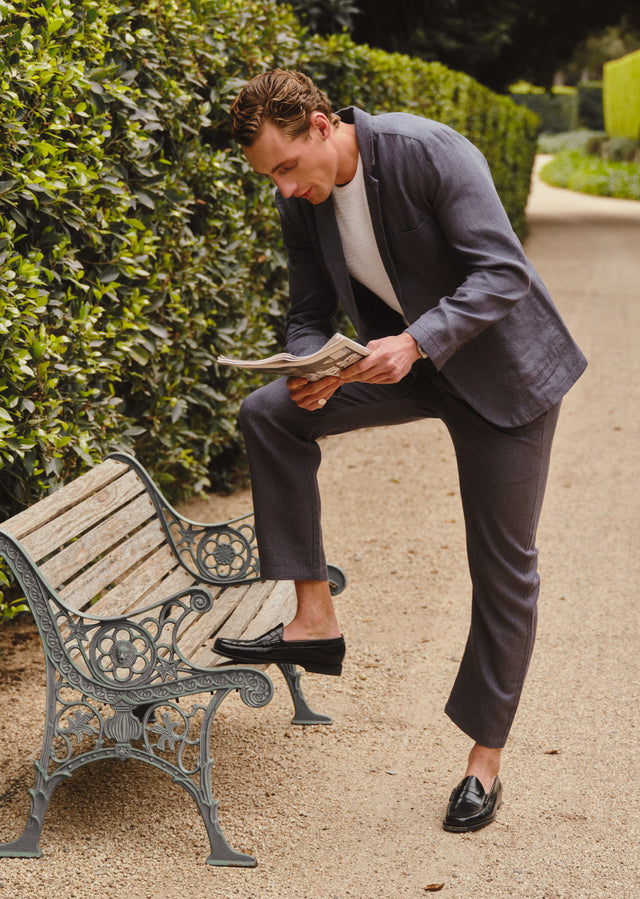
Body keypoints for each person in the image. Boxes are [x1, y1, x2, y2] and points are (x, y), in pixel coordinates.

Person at [214, 69, 587, 832]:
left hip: (501, 375)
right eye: (269, 177)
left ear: (322, 126)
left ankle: (484, 763)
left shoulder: (428, 151)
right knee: (270, 412)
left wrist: (417, 342)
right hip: (396, 362)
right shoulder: (301, 200)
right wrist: (309, 368)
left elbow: (504, 271)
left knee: (504, 566)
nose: (282, 188)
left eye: (286, 167)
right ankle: (313, 618)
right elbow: (309, 311)